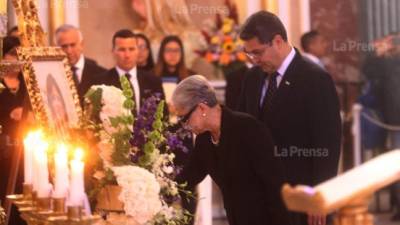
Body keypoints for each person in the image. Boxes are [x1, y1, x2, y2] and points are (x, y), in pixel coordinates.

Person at [238, 11, 341, 225]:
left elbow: (327, 145)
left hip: (301, 199)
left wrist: (319, 198)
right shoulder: (252, 78)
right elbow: (242, 128)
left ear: (277, 41)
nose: (254, 60)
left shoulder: (315, 79)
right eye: (249, 54)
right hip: (261, 199)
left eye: (257, 53)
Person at [173, 75, 289, 225]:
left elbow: (275, 185)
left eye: (184, 118)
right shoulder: (204, 139)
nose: (184, 125)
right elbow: (188, 177)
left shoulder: (248, 128)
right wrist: (154, 188)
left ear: (202, 108)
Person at [100, 29, 165, 114]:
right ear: (113, 52)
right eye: (122, 49)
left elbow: (163, 115)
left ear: (137, 51)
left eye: (131, 49)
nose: (127, 55)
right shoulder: (102, 82)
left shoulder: (153, 81)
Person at [0, 36, 28, 225]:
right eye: (13, 54)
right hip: (3, 154)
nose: (17, 59)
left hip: (26, 153)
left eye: (21, 54)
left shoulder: (28, 85)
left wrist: (26, 114)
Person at [55, 24, 107, 106]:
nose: (69, 51)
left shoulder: (101, 74)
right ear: (56, 47)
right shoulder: (53, 74)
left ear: (81, 44)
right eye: (64, 46)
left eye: (72, 45)